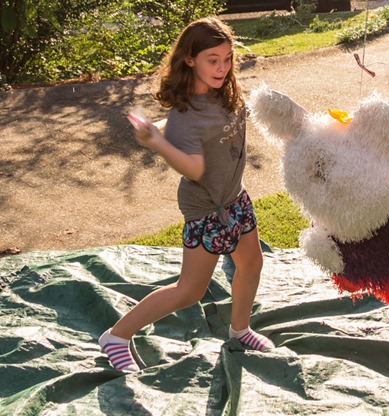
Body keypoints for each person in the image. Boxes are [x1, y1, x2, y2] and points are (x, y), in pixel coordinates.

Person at [99, 16, 274, 373]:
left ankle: (240, 329)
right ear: (190, 59)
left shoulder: (222, 91)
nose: (222, 67)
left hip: (235, 198)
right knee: (189, 291)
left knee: (252, 262)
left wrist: (159, 129)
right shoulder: (187, 115)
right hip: (207, 208)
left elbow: (199, 128)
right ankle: (116, 336)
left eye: (227, 58)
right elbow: (194, 168)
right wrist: (161, 141)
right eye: (213, 59)